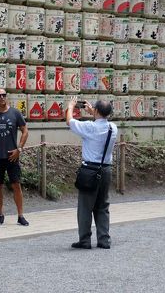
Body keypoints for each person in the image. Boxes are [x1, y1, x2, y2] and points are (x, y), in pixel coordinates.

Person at [66, 97, 118, 250]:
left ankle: (85, 240)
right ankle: (104, 239)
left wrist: (70, 107)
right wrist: (93, 112)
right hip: (106, 169)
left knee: (85, 207)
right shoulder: (113, 128)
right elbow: (100, 122)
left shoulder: (89, 127)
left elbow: (70, 122)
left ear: (96, 111)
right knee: (102, 205)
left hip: (89, 170)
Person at [0, 88, 30, 226]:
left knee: (16, 184)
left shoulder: (15, 113)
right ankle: (0, 214)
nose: (2, 97)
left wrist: (19, 148)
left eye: (4, 95)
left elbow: (25, 130)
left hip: (12, 155)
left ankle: (20, 215)